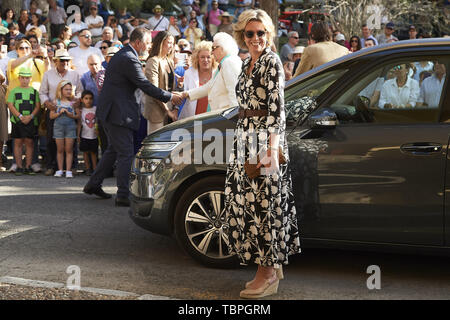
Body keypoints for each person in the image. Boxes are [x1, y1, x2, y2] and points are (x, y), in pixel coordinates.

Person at [224, 9, 300, 299]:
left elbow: (277, 109)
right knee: (248, 207)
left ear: (268, 35)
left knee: (265, 208)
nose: (255, 38)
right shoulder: (246, 63)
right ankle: (268, 266)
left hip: (264, 141)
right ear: (242, 36)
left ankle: (268, 274)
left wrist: (271, 148)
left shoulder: (271, 61)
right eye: (249, 33)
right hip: (244, 138)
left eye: (261, 33)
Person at [83, 28, 183, 207]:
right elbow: (145, 85)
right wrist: (169, 96)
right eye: (147, 42)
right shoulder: (129, 58)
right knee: (125, 153)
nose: (149, 45)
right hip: (118, 114)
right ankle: (123, 195)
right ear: (138, 43)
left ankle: (93, 184)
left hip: (112, 112)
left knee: (114, 150)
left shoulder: (125, 54)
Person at [40, 48, 82, 176]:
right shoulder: (48, 74)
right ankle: (52, 166)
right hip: (53, 109)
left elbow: (80, 91)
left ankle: (72, 166)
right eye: (62, 60)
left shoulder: (74, 74)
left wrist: (77, 101)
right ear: (56, 61)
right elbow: (42, 92)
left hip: (70, 108)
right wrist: (48, 104)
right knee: (51, 139)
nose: (64, 62)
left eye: (66, 60)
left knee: (71, 138)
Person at [182, 32, 241, 112]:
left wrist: (233, 118)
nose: (212, 52)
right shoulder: (224, 63)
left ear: (222, 48)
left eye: (213, 48)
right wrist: (186, 94)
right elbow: (210, 86)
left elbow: (234, 93)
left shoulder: (229, 62)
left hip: (226, 118)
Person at [7, 66, 40, 175]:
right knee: (18, 142)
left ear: (30, 78)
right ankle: (19, 166)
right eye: (22, 78)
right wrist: (20, 116)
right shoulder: (14, 91)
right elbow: (10, 105)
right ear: (19, 78)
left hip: (30, 120)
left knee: (30, 143)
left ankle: (28, 166)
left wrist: (30, 116)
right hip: (17, 121)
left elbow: (37, 106)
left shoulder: (34, 92)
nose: (25, 80)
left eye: (27, 78)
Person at [143, 31, 178, 133]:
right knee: (156, 146)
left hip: (170, 108)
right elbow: (154, 90)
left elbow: (170, 86)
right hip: (156, 112)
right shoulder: (153, 61)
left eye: (172, 43)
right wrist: (167, 111)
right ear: (160, 43)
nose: (171, 46)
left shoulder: (169, 60)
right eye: (169, 42)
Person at [178, 40, 217, 119]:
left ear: (213, 58)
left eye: (208, 57)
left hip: (213, 117)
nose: (205, 60)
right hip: (193, 116)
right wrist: (180, 86)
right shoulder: (189, 73)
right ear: (197, 58)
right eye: (202, 57)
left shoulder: (218, 72)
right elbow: (184, 95)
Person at [50, 80, 79, 178]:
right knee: (60, 149)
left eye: (70, 89)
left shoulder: (73, 102)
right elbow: (51, 116)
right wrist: (59, 112)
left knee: (69, 149)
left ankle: (68, 170)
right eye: (66, 89)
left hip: (70, 127)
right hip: (58, 127)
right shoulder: (55, 102)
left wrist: (71, 115)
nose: (68, 91)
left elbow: (78, 116)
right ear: (60, 90)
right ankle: (60, 169)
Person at [77, 90, 98, 176]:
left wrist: (97, 129)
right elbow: (79, 124)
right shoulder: (81, 110)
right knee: (85, 152)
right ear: (82, 99)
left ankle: (95, 168)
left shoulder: (95, 109)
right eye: (86, 98)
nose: (88, 100)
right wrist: (78, 135)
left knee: (93, 152)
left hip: (93, 135)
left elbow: (97, 121)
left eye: (90, 98)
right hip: (84, 135)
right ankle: (88, 168)